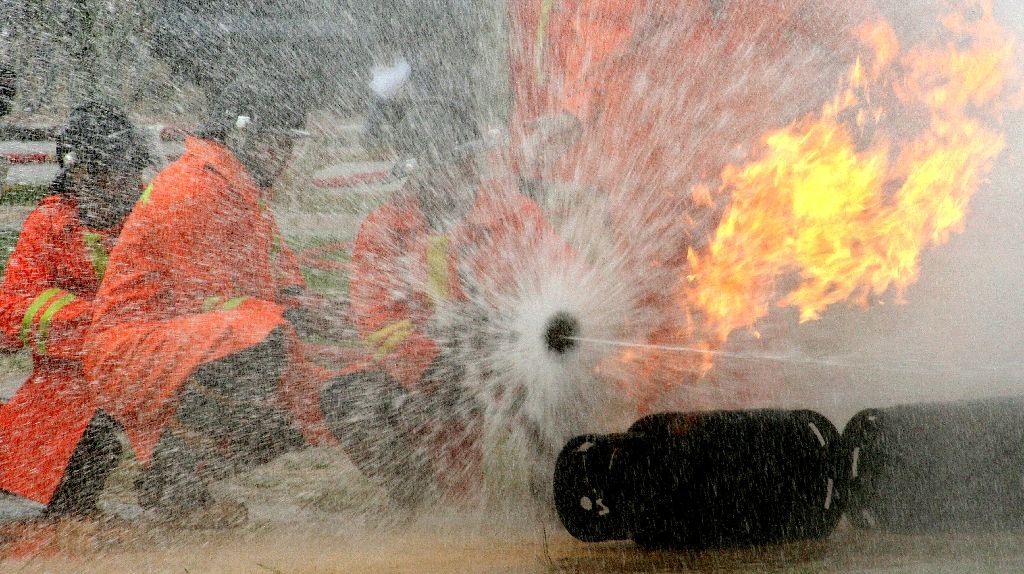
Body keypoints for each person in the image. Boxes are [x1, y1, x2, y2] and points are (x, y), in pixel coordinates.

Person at [83, 78, 336, 528]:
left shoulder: (243, 194)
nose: (287, 157)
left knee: (316, 404)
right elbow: (208, 303)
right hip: (132, 351)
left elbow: (282, 282)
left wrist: (322, 311)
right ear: (241, 135)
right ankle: (173, 479)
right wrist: (294, 317)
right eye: (278, 144)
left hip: (186, 343)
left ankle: (187, 485)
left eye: (290, 144)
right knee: (261, 342)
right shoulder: (192, 189)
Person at [321, 99, 566, 509]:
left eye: (465, 160)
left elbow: (560, 272)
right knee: (350, 399)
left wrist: (551, 324)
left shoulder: (512, 215)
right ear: (419, 171)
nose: (459, 174)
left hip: (511, 367)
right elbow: (378, 323)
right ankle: (421, 499)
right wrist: (433, 364)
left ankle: (554, 499)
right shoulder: (384, 230)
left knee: (559, 392)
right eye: (445, 165)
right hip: (431, 375)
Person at [0, 100, 149, 516]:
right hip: (68, 386)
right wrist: (98, 324)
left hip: (151, 370)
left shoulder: (154, 219)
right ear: (75, 172)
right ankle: (74, 522)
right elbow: (12, 312)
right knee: (85, 447)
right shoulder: (48, 224)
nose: (114, 185)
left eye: (123, 172)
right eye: (98, 173)